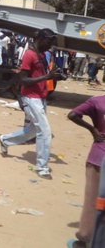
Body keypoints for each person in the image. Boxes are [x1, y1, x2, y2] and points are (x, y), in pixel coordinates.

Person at [0, 28, 64, 180]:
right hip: (31, 97)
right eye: (49, 41)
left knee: (33, 130)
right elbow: (23, 80)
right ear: (40, 39)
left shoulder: (41, 53)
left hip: (41, 96)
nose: (51, 44)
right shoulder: (29, 54)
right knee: (45, 131)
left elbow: (39, 75)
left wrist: (54, 77)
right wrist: (47, 77)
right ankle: (42, 167)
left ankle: (5, 140)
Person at [67, 95, 105, 247]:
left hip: (98, 156)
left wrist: (92, 129)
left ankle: (83, 240)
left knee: (92, 200)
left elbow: (73, 114)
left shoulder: (97, 101)